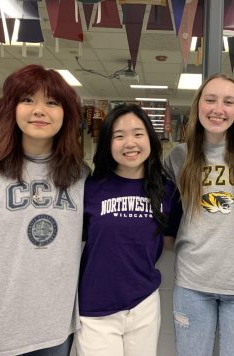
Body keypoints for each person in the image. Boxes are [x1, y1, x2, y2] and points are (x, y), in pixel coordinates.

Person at [0, 64, 89, 355]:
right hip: (1, 342)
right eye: (27, 100)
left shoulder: (79, 176)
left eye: (51, 102)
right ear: (11, 108)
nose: (39, 110)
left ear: (66, 115)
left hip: (59, 336)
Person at [164, 73, 234, 356]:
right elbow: (158, 200)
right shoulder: (178, 157)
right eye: (210, 99)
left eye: (229, 102)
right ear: (198, 106)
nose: (218, 109)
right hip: (193, 284)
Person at [75, 104, 181, 356]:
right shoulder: (89, 188)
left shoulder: (167, 192)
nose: (129, 143)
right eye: (119, 136)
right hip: (96, 306)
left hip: (143, 302)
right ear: (108, 144)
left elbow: (169, 242)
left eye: (138, 133)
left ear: (150, 139)